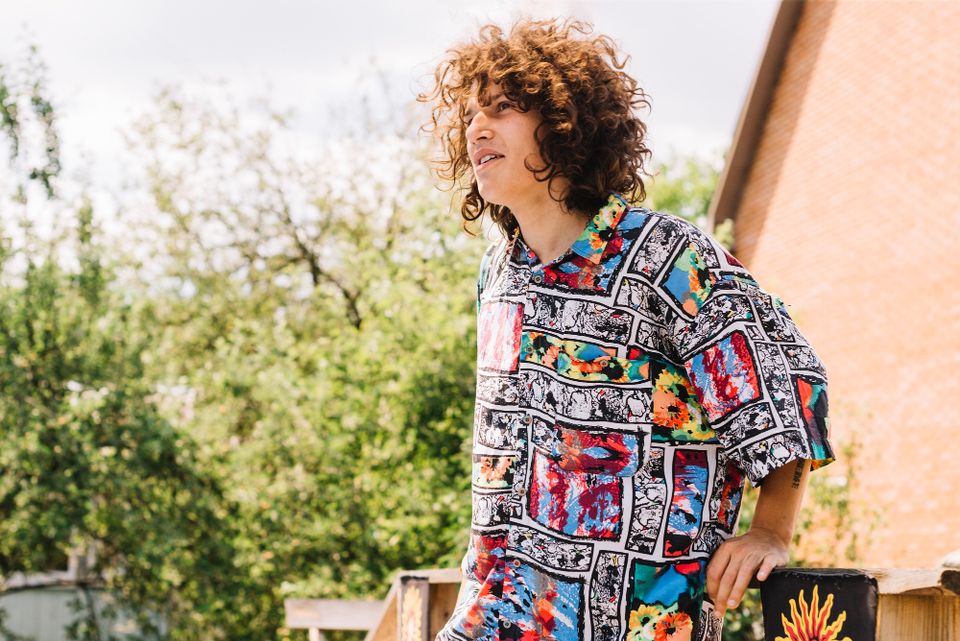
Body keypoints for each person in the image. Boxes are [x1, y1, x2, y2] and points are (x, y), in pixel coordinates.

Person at [418, 17, 834, 641]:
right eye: (471, 115)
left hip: (637, 623)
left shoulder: (666, 258)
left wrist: (771, 531)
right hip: (495, 616)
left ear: (564, 125)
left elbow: (788, 381)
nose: (476, 128)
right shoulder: (498, 276)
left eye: (502, 109)